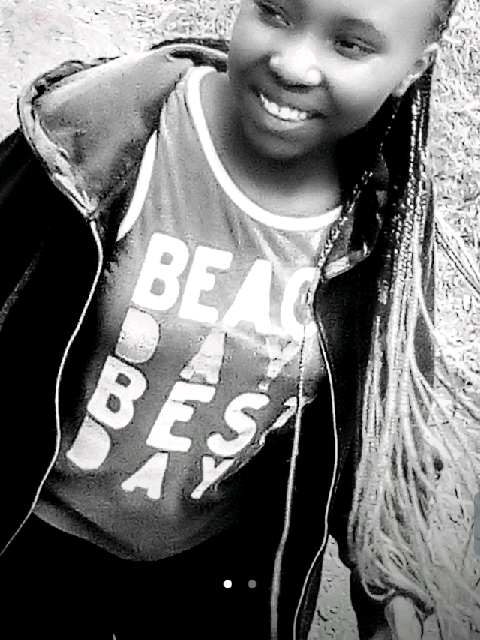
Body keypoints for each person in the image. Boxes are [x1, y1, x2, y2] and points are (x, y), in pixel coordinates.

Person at [0, 0, 478, 638]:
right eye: (275, 12)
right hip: (27, 537)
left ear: (413, 66)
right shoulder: (92, 136)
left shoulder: (383, 224)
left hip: (212, 577)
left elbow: (387, 430)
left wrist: (394, 596)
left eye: (350, 45)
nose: (293, 64)